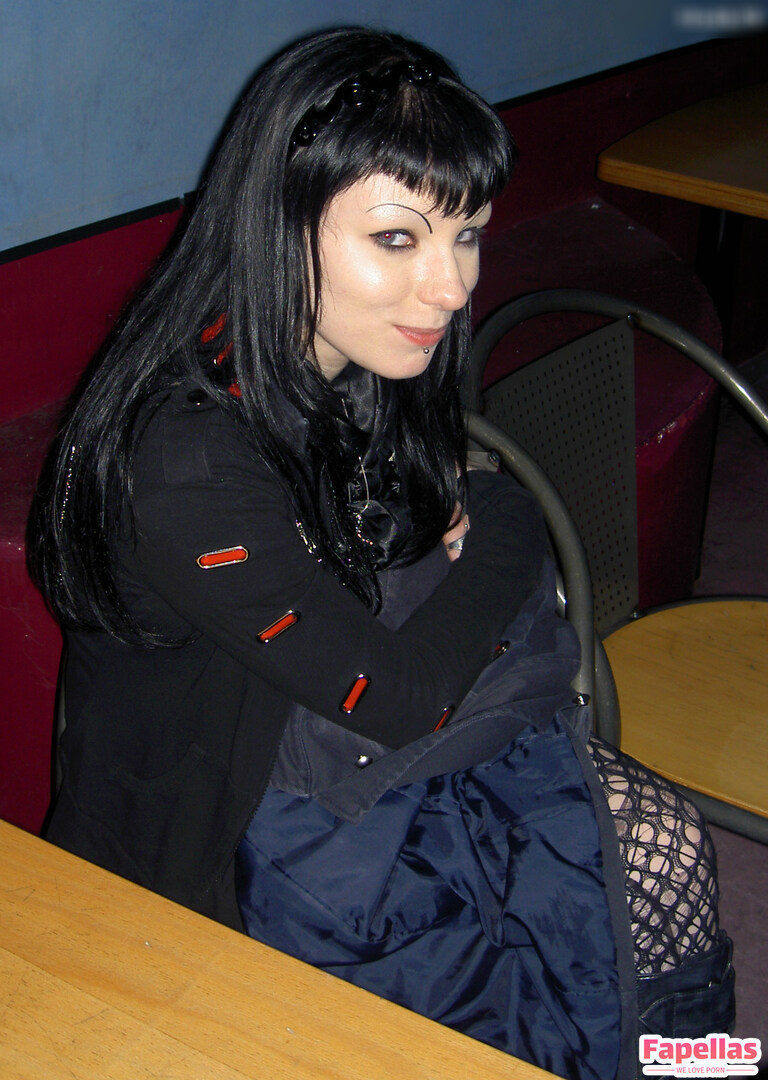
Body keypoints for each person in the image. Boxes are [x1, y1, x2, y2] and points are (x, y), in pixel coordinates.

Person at [29, 27, 734, 1080]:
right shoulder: (183, 457)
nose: (450, 287)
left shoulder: (350, 351)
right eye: (399, 238)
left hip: (346, 753)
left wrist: (458, 521)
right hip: (237, 840)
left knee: (663, 852)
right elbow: (390, 693)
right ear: (280, 223)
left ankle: (699, 1065)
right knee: (538, 965)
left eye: (468, 234)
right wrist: (509, 516)